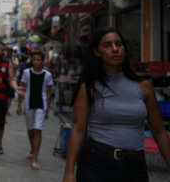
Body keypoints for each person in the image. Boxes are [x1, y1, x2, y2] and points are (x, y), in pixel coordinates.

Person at [62, 28, 170, 182]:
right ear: (97, 52)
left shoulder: (144, 86)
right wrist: (69, 172)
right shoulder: (90, 87)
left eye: (118, 44)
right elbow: (78, 129)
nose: (115, 49)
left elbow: (159, 131)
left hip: (135, 166)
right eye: (107, 45)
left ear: (124, 49)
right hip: (96, 164)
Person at [17, 50, 53, 170]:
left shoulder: (47, 75)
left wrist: (47, 108)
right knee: (30, 129)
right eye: (34, 59)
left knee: (38, 129)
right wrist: (19, 105)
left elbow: (49, 92)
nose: (36, 62)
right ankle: (33, 148)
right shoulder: (26, 73)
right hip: (28, 103)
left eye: (39, 59)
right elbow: (22, 88)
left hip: (41, 105)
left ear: (42, 61)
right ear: (32, 60)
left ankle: (35, 158)